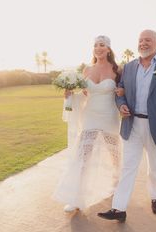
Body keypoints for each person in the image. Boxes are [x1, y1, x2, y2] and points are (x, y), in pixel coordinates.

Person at [98, 30, 156, 222]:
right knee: (128, 167)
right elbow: (119, 90)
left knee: (155, 167)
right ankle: (119, 208)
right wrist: (121, 104)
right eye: (140, 40)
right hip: (132, 125)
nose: (143, 43)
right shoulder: (129, 67)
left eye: (148, 40)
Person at [53, 35, 122, 212]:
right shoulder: (87, 69)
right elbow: (85, 94)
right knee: (84, 155)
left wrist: (122, 92)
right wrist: (70, 96)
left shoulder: (117, 69)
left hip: (109, 115)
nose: (98, 48)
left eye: (102, 45)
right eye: (95, 45)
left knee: (113, 154)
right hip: (90, 114)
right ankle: (76, 197)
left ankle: (116, 185)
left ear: (108, 49)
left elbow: (123, 92)